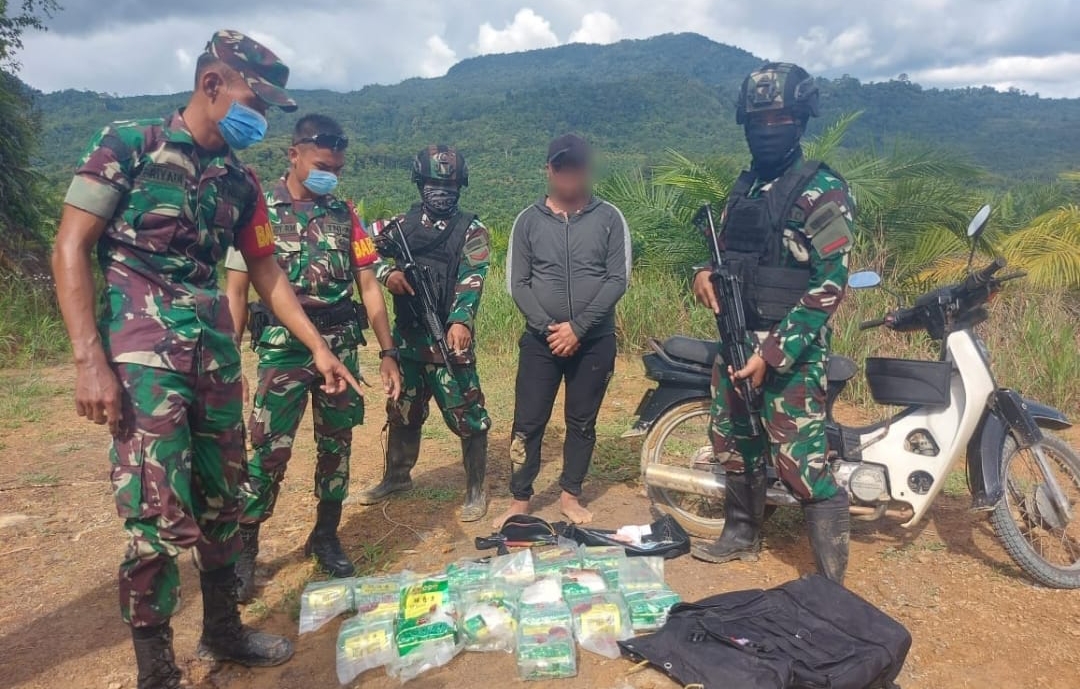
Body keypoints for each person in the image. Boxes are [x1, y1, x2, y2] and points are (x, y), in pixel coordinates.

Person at [50, 30, 361, 689]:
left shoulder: (241, 182)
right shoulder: (128, 145)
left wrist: (319, 346)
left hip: (214, 358)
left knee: (224, 498)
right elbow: (71, 245)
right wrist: (88, 359)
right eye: (255, 101)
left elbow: (266, 270)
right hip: (144, 360)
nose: (261, 117)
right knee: (156, 511)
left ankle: (223, 629)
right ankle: (157, 669)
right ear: (212, 85)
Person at [224, 114, 402, 600]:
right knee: (268, 451)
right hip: (282, 350)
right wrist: (231, 361)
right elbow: (236, 292)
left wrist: (387, 351)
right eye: (323, 166)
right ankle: (246, 547)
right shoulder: (259, 211)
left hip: (339, 346)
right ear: (294, 154)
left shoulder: (345, 215)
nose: (331, 176)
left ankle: (325, 535)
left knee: (336, 447)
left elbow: (369, 286)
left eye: (337, 169)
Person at [690, 63, 855, 583]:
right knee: (734, 442)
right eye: (758, 120)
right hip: (737, 338)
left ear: (800, 121)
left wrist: (773, 353)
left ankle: (830, 576)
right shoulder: (745, 188)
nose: (768, 129)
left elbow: (830, 283)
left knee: (802, 462)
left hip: (790, 351)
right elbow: (730, 256)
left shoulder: (822, 190)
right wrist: (703, 274)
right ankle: (741, 534)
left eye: (780, 119)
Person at [495, 133, 632, 528]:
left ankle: (570, 494)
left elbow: (617, 279)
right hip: (541, 342)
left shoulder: (610, 218)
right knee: (527, 422)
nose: (569, 174)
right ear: (549, 169)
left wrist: (579, 328)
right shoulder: (528, 220)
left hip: (595, 340)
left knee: (582, 422)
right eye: (561, 166)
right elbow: (518, 283)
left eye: (577, 166)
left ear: (587, 169)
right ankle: (520, 499)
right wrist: (550, 328)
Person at [353, 145, 492, 523]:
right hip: (407, 339)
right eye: (434, 184)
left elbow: (473, 277)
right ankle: (397, 477)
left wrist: (461, 320)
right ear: (419, 183)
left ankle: (476, 490)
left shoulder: (472, 230)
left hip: (449, 339)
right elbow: (361, 248)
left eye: (449, 185)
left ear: (460, 186)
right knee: (402, 410)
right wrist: (387, 274)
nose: (441, 192)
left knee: (468, 412)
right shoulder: (400, 225)